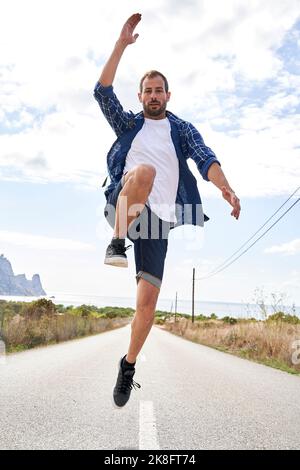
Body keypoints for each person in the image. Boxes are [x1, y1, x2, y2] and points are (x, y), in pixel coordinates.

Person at [93, 13, 241, 408]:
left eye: (159, 90)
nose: (154, 95)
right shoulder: (128, 125)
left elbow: (205, 157)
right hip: (126, 203)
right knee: (144, 171)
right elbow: (102, 91)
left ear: (168, 96)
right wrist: (121, 45)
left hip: (158, 222)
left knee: (146, 306)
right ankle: (116, 242)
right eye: (148, 90)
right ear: (140, 96)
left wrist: (224, 185)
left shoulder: (182, 129)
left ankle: (128, 365)